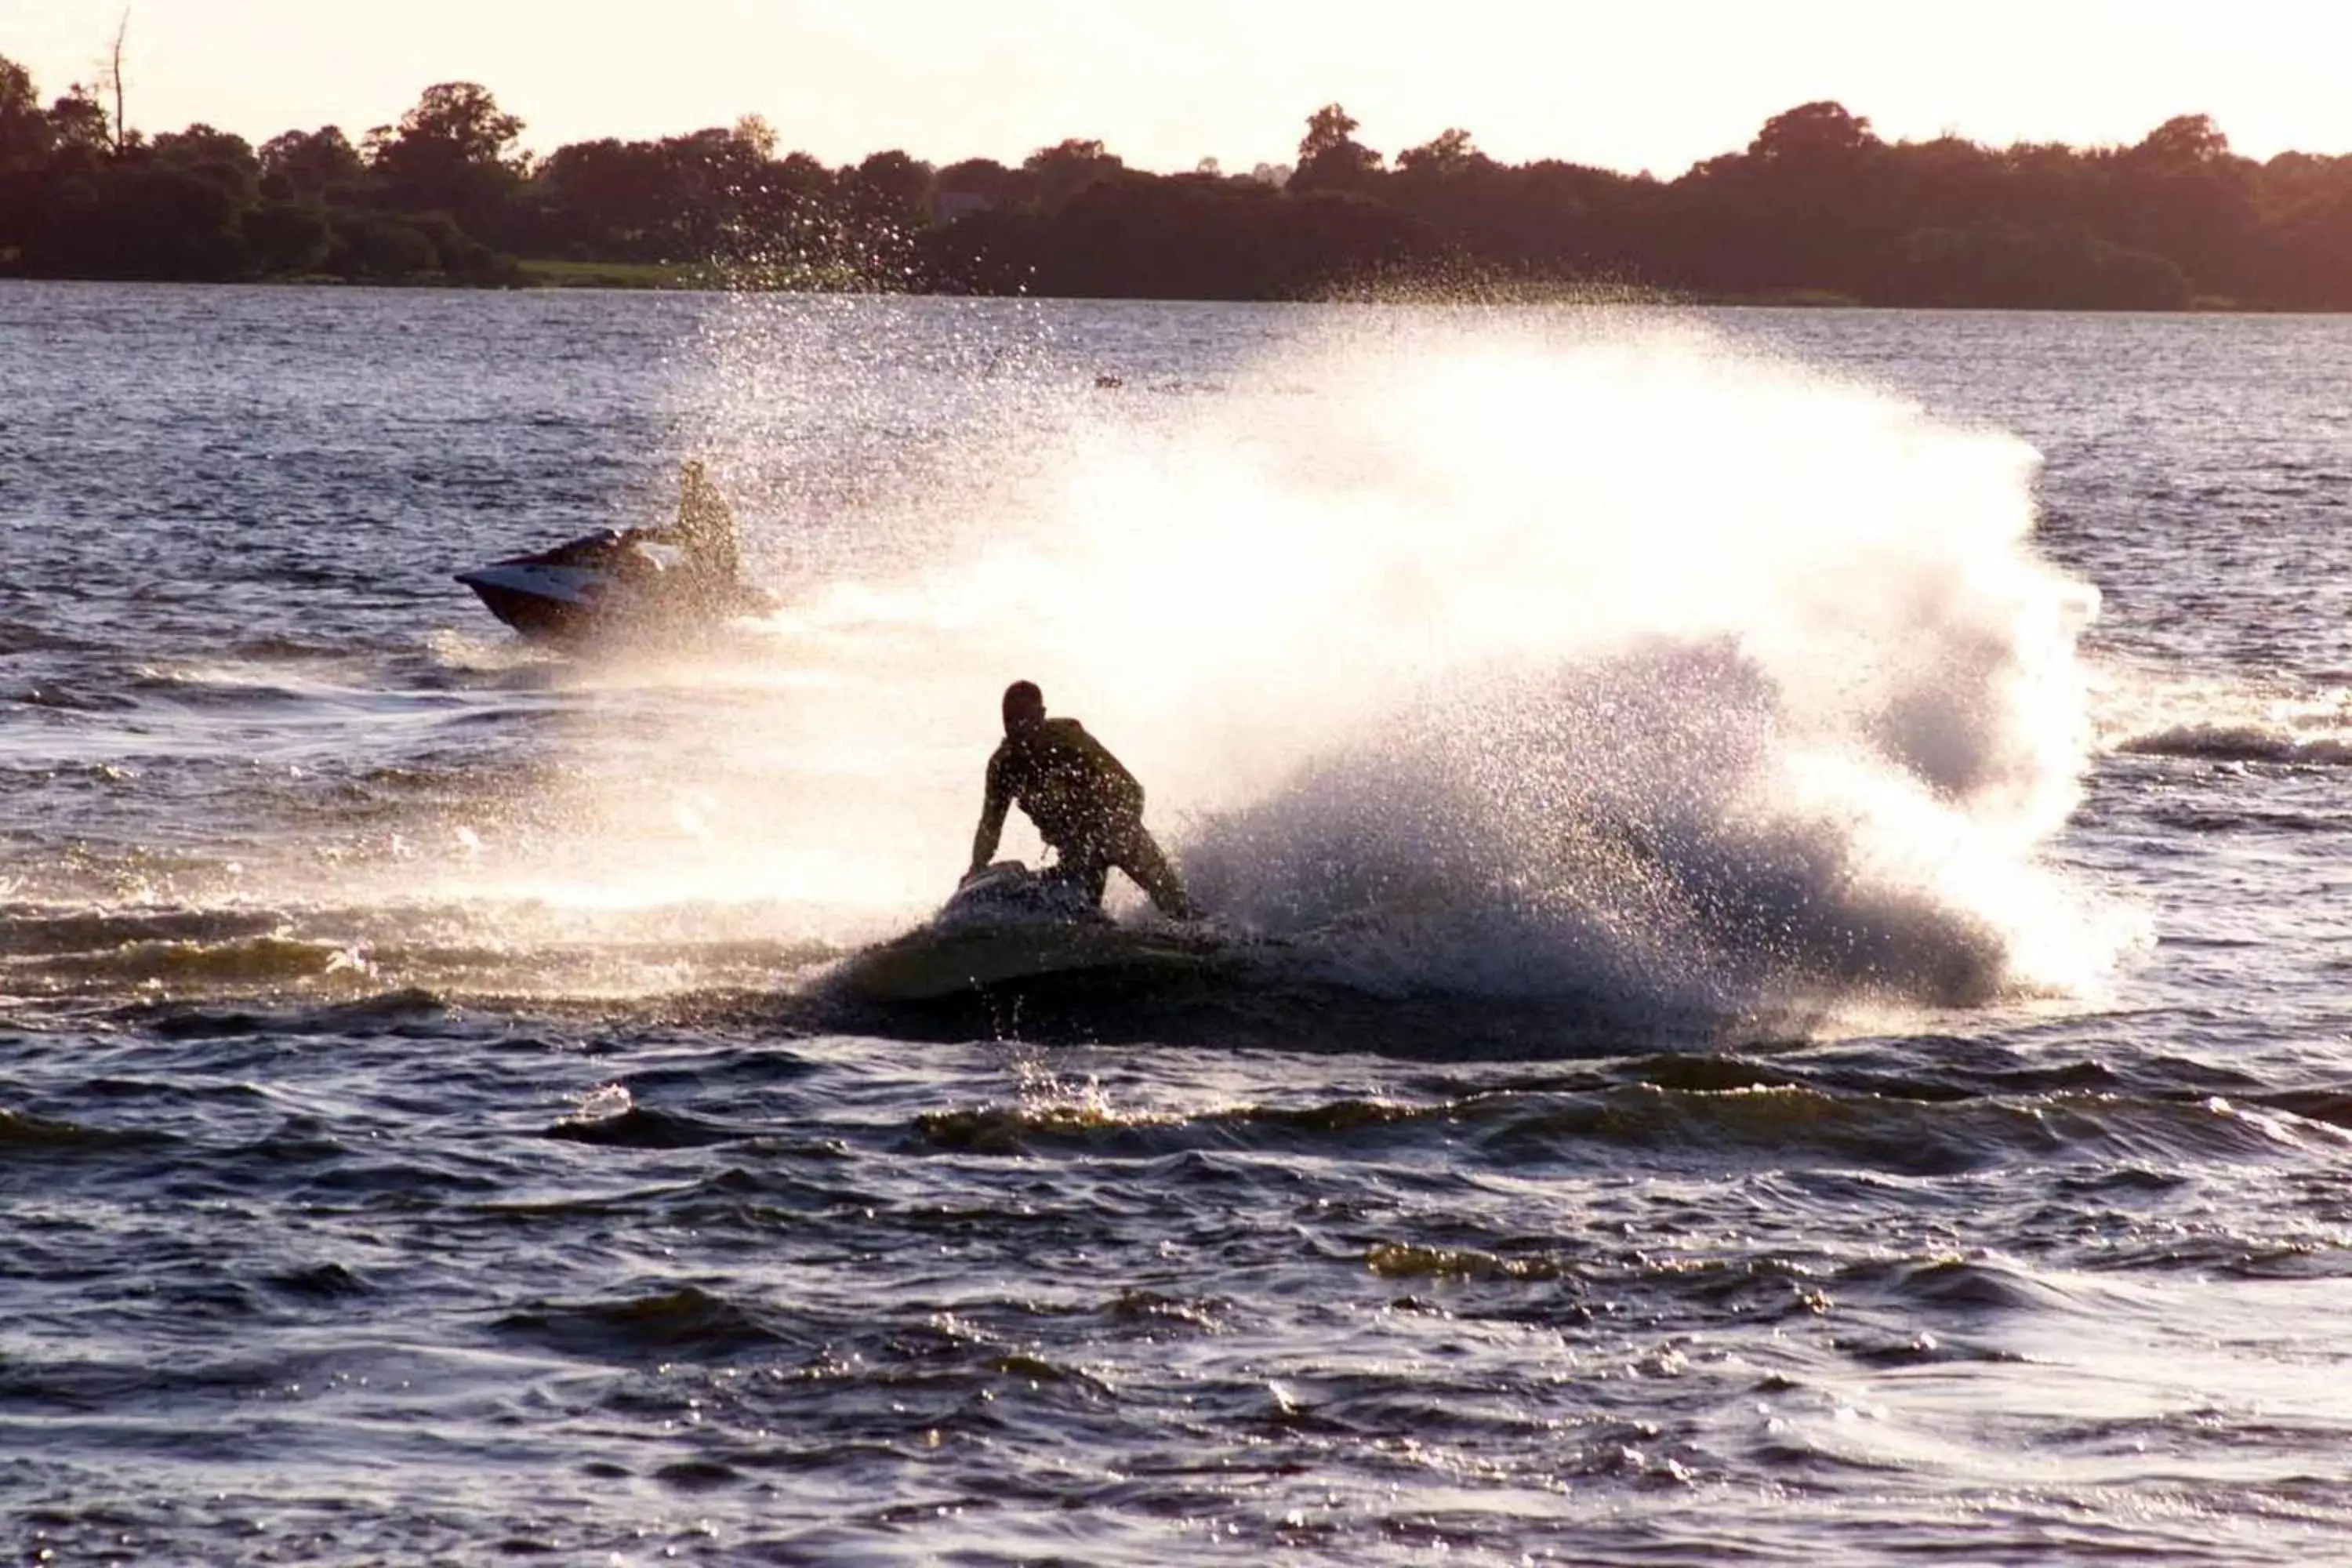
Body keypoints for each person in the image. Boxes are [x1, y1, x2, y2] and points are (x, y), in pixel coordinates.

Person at [967, 681, 1196, 920]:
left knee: (1177, 905)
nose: (1017, 729)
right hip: (1076, 851)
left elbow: (1130, 789)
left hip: (1117, 834)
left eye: (1024, 720)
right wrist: (977, 866)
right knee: (1078, 920)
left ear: (1041, 716)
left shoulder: (1069, 741)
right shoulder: (1003, 766)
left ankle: (1202, 934)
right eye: (1010, 722)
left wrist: (1114, 826)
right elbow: (990, 825)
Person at [634, 459, 741, 600]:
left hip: (713, 568)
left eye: (687, 477)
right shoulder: (703, 495)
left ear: (698, 477)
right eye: (682, 477)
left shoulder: (701, 499)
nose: (682, 482)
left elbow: (689, 535)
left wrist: (648, 535)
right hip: (714, 563)